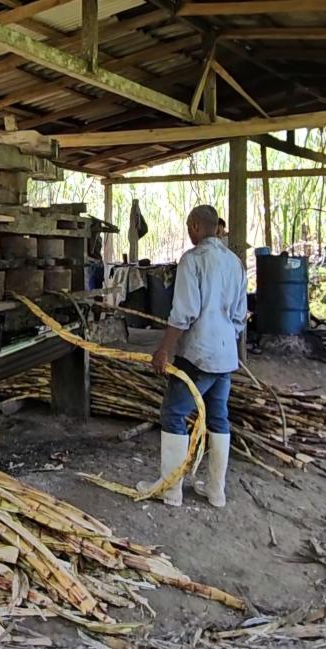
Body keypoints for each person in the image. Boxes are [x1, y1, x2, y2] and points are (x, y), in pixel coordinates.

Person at [136, 205, 247, 508]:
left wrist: (164, 349)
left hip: (198, 355)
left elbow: (184, 312)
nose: (188, 231)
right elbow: (239, 316)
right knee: (218, 418)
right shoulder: (235, 263)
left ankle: (171, 491)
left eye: (188, 226)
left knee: (173, 414)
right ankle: (216, 491)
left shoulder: (193, 260)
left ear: (197, 226)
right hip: (225, 355)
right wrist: (225, 339)